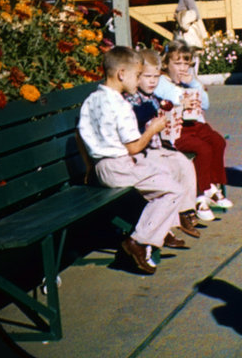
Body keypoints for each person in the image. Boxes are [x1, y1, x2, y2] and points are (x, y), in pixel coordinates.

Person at [78, 47, 197, 274]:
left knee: (163, 174)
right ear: (122, 74)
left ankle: (159, 233)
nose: (138, 80)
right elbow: (134, 147)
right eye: (137, 75)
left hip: (102, 167)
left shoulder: (92, 99)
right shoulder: (120, 105)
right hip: (118, 166)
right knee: (173, 190)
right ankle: (139, 242)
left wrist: (88, 167)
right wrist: (153, 129)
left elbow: (79, 134)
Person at [124, 48, 202, 242]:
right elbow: (138, 115)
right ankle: (164, 228)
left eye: (156, 77)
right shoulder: (133, 98)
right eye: (147, 76)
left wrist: (177, 108)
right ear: (136, 76)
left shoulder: (152, 97)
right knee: (166, 171)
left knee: (183, 162)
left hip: (157, 149)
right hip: (142, 152)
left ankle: (185, 211)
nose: (152, 81)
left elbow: (164, 108)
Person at [155, 41, 233, 222]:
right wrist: (182, 96)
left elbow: (205, 103)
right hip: (177, 129)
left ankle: (211, 185)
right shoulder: (162, 82)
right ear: (166, 64)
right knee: (203, 149)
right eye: (177, 63)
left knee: (218, 141)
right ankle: (201, 193)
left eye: (185, 64)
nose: (182, 68)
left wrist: (194, 84)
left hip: (196, 126)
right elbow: (170, 97)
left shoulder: (189, 82)